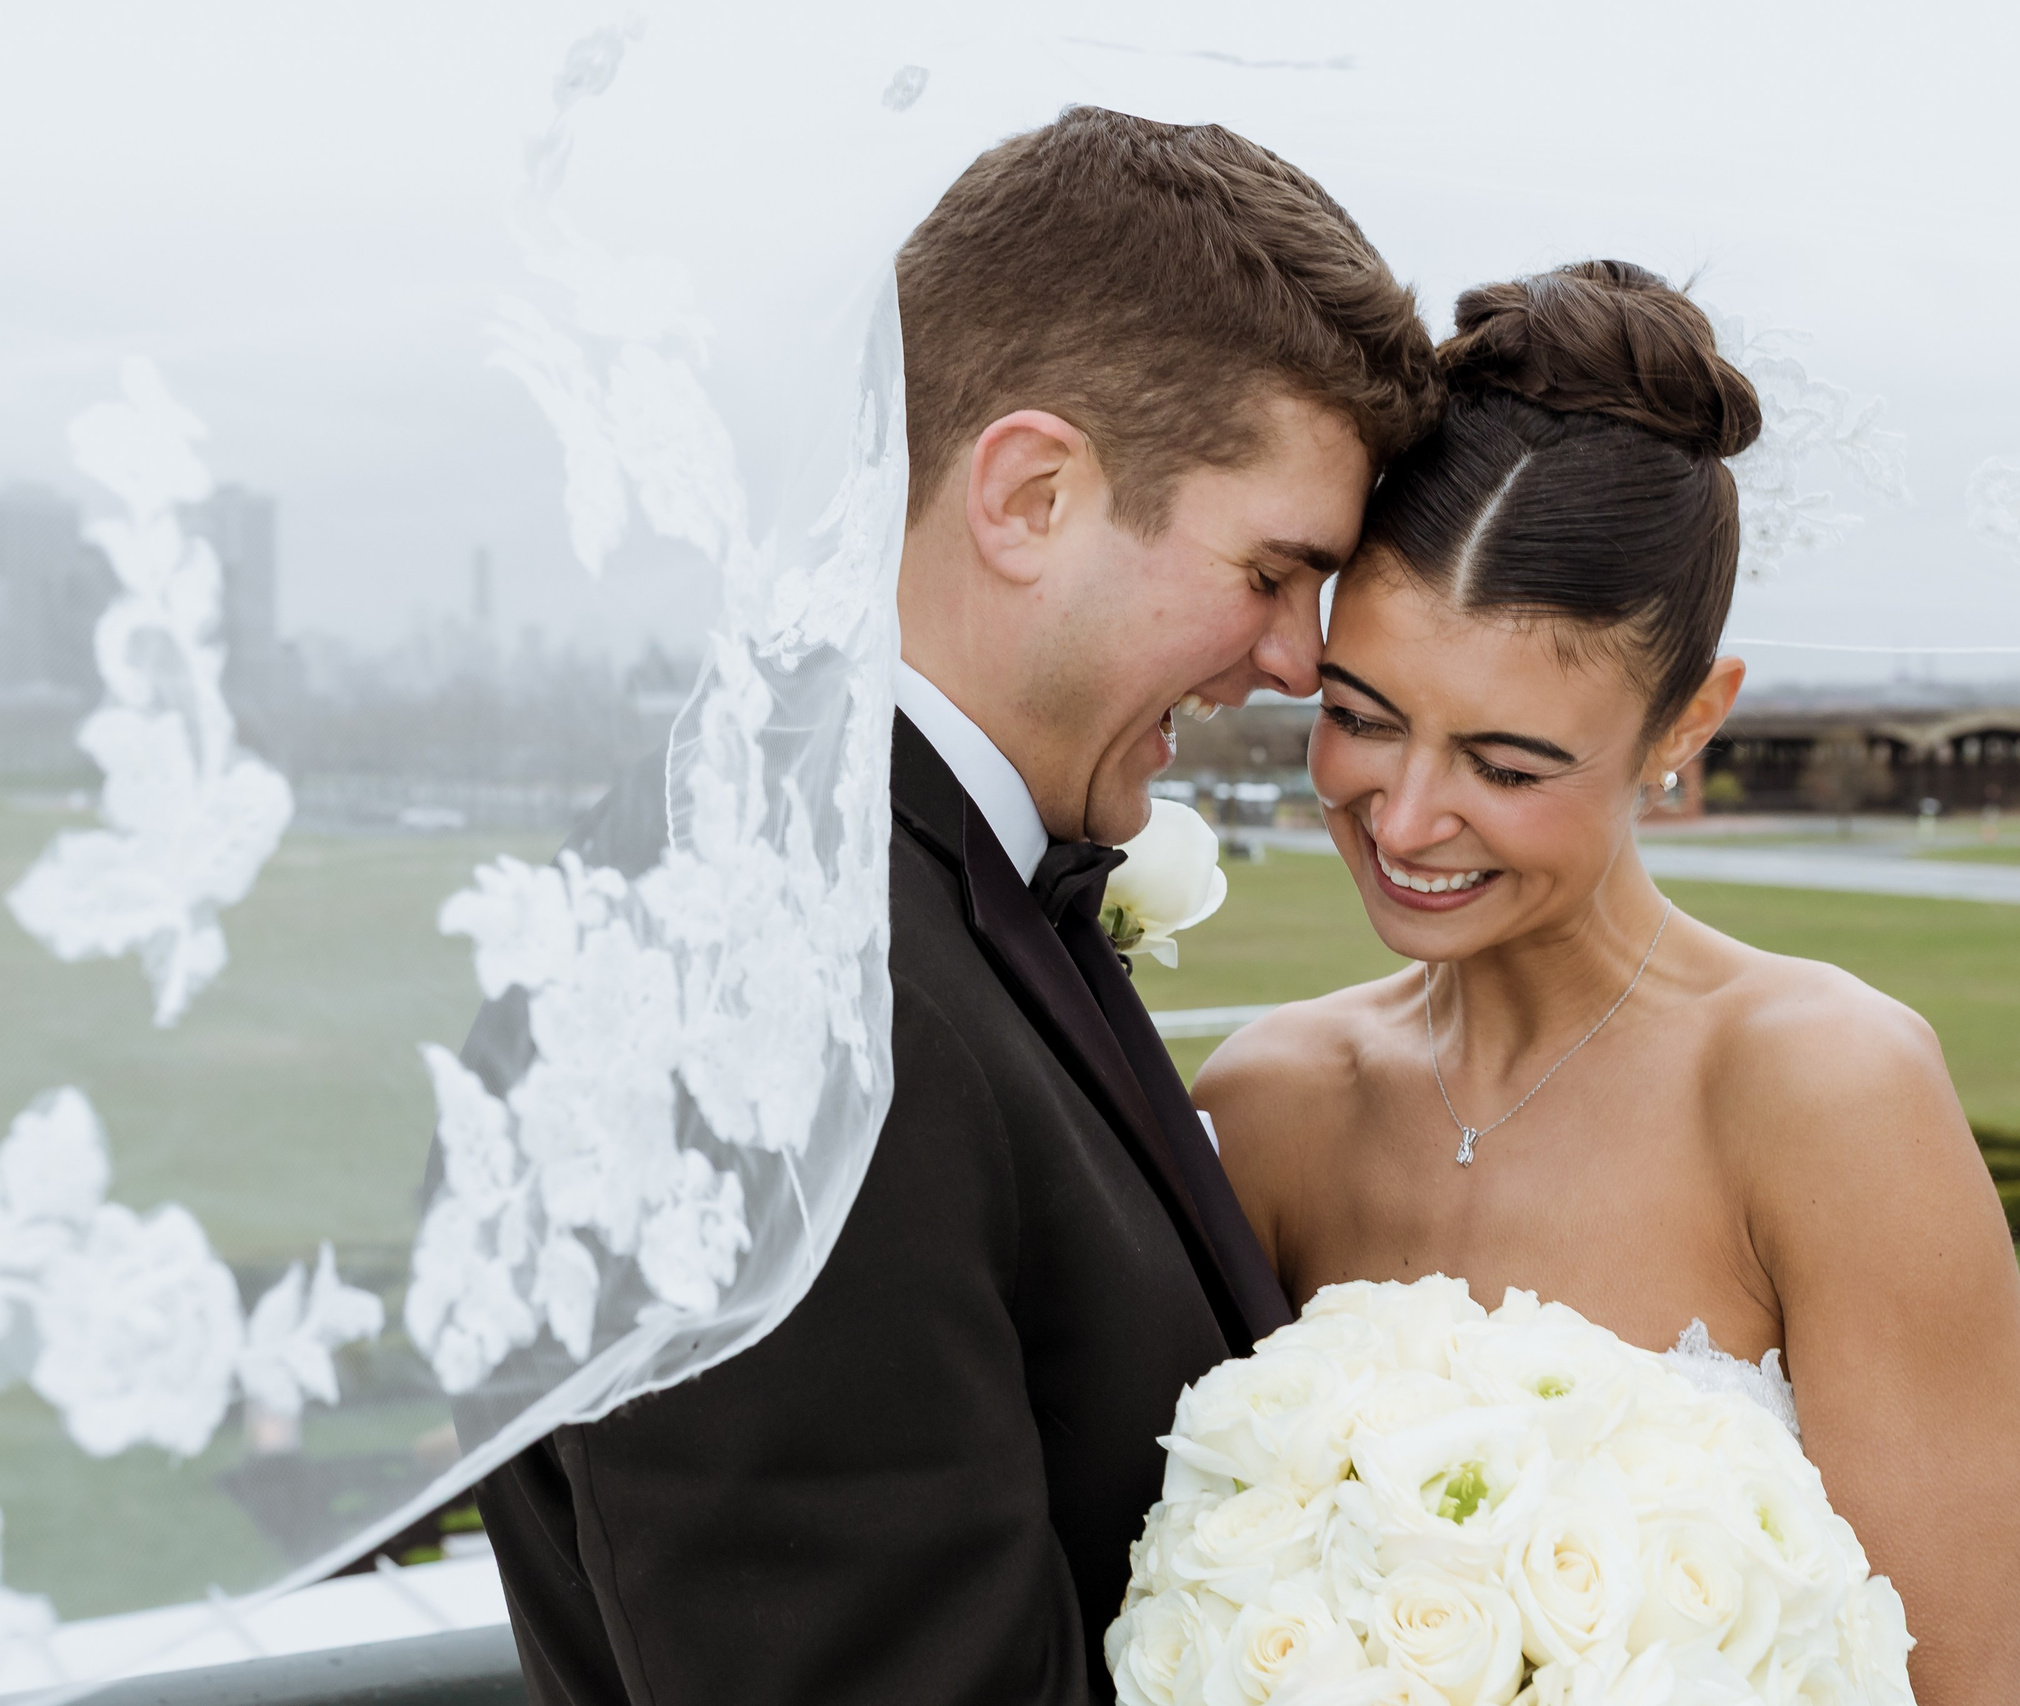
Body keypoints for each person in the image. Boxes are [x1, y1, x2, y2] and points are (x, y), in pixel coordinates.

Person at [468, 107, 1440, 1706]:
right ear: (1030, 494)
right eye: (1272, 571)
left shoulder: (897, 880)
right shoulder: (765, 990)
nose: (1294, 658)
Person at [1196, 262, 2020, 1703]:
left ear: (1690, 721)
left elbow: (1964, 1686)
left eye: (1508, 764)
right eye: (1360, 717)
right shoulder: (1267, 1108)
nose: (1403, 820)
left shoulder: (1828, 1095)